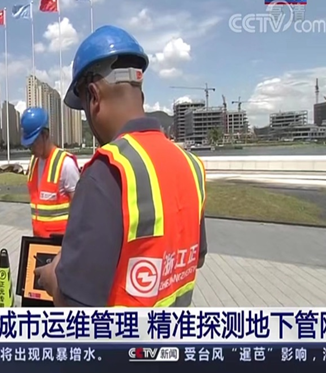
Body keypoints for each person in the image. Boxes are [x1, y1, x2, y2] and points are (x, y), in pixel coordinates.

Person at [34, 25, 208, 307]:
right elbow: (195, 258)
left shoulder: (107, 172)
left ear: (93, 96)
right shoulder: (191, 165)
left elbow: (78, 311)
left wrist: (54, 280)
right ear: (141, 95)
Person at [20, 107, 80, 238]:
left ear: (45, 135)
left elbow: (80, 208)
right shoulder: (34, 162)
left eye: (34, 143)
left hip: (61, 242)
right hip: (39, 240)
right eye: (29, 146)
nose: (31, 149)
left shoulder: (66, 164)